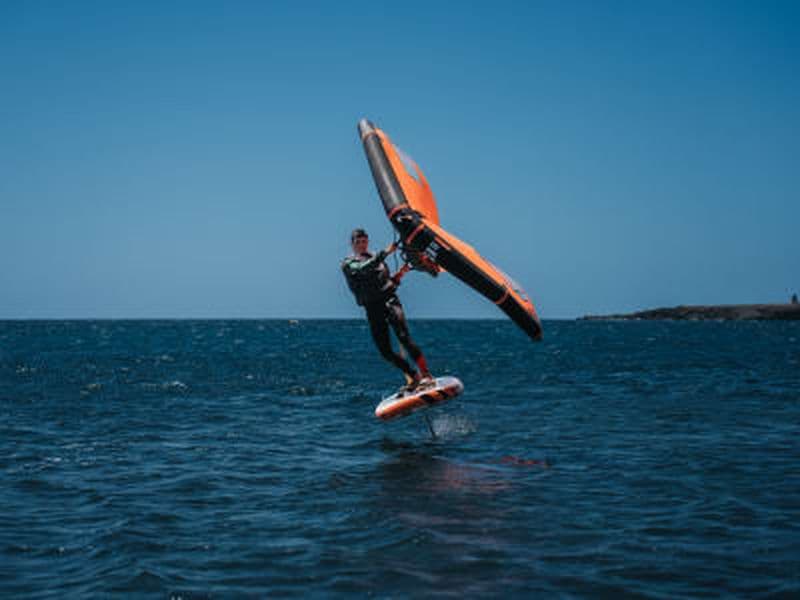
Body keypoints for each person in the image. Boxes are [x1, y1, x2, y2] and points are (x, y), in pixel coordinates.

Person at [342, 228, 433, 391]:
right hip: (372, 307)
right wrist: (386, 252)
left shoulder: (377, 259)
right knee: (385, 351)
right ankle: (414, 376)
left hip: (390, 301)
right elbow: (363, 269)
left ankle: (426, 375)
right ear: (352, 244)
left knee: (403, 337)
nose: (362, 245)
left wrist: (399, 275)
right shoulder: (348, 263)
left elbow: (386, 282)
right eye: (358, 242)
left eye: (364, 241)